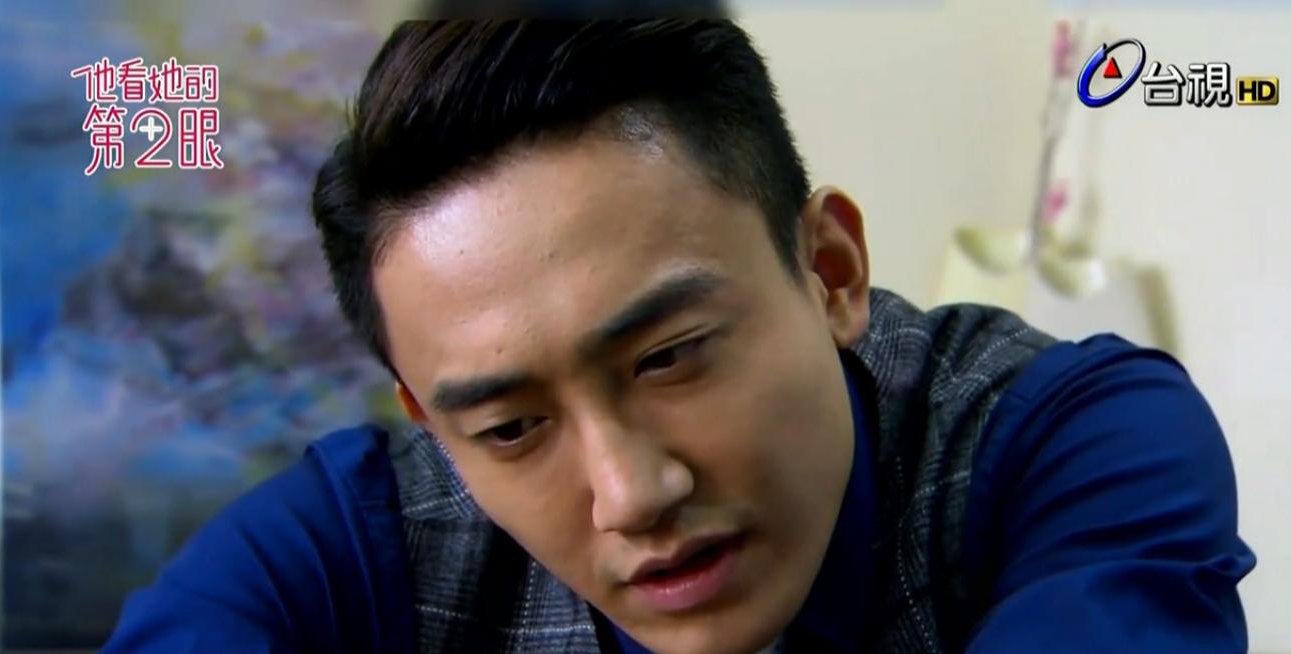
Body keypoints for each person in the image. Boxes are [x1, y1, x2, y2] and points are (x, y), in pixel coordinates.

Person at [102, 19, 1255, 654]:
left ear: (830, 270)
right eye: (509, 427)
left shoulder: (1067, 438)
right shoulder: (348, 548)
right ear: (434, 430)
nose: (631, 493)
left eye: (667, 356)